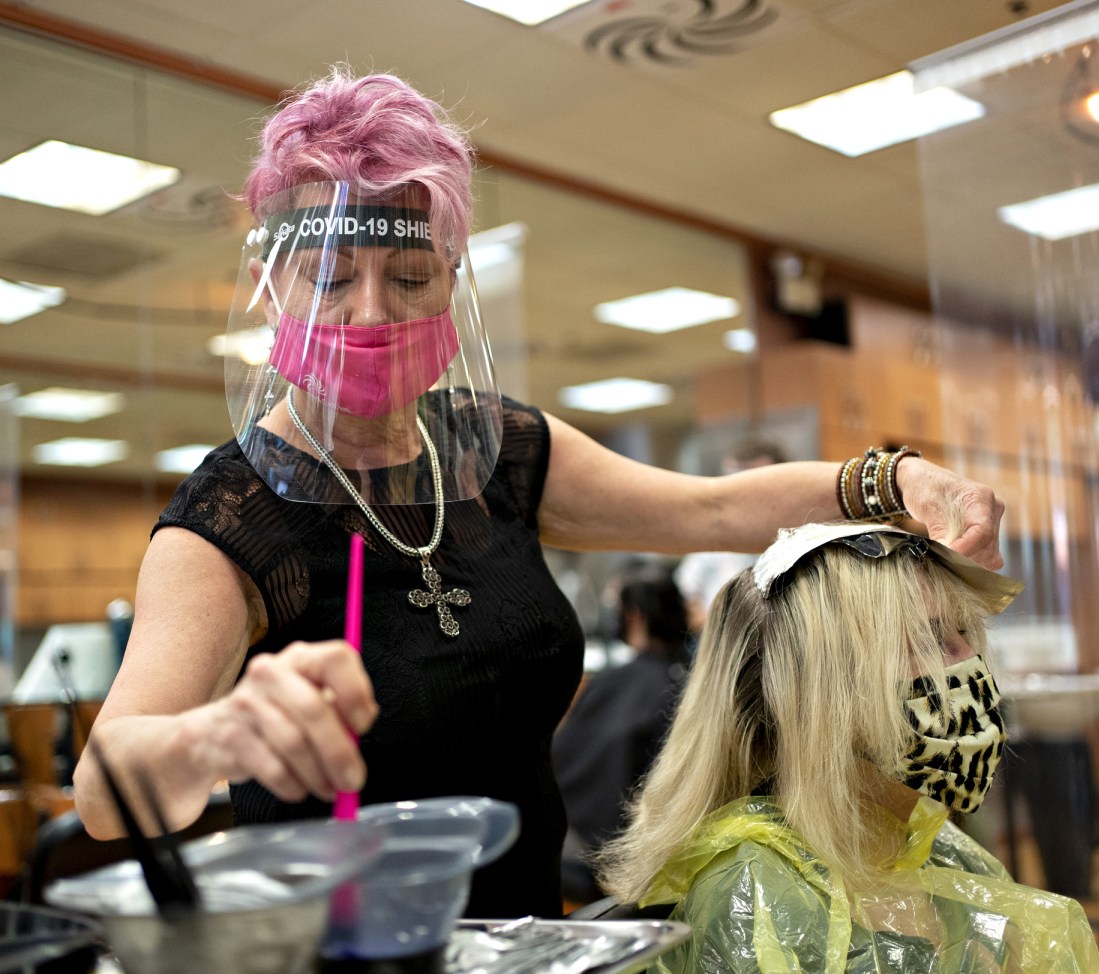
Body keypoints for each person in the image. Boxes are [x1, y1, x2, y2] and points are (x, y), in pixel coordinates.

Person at [73, 66, 1006, 921]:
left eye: (408, 278)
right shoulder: (230, 522)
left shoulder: (499, 453)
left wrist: (892, 479)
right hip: (343, 966)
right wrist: (222, 738)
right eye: (328, 279)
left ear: (451, 279)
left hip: (523, 952)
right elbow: (105, 792)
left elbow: (709, 510)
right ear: (266, 285)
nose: (370, 314)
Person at [598, 522, 1099, 974]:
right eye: (929, 639)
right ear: (826, 693)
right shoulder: (756, 897)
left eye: (964, 631)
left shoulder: (935, 850)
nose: (970, 664)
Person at [553, 567, 691, 903]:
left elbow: (564, 767)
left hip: (596, 862)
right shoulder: (695, 685)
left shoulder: (612, 684)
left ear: (633, 616)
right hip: (668, 863)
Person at [673, 436, 787, 633]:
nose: (739, 497)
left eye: (751, 486)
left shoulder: (797, 542)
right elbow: (686, 591)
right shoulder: (713, 539)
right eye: (732, 485)